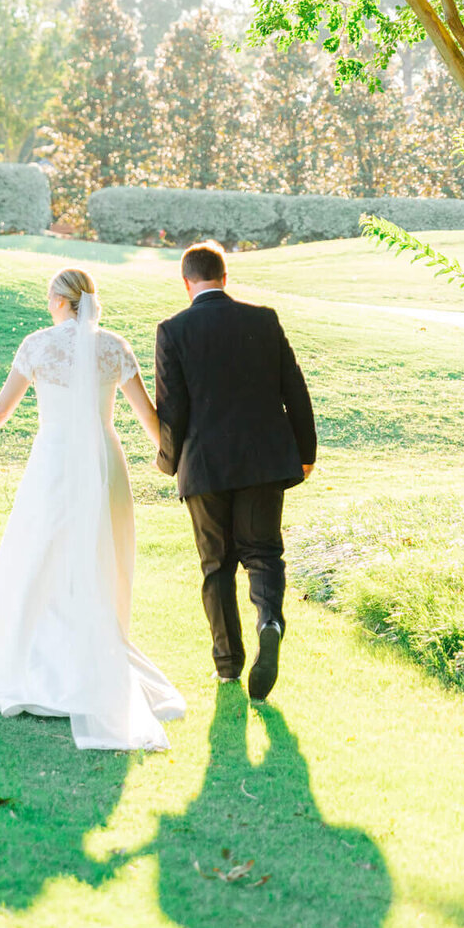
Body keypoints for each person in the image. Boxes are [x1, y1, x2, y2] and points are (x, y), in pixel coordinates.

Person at [0, 266, 185, 751]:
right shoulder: (113, 345)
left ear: (59, 299)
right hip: (102, 459)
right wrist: (184, 464)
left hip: (54, 460)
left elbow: (1, 410)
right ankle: (88, 656)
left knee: (40, 554)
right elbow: (148, 418)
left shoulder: (37, 345)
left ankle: (45, 666)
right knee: (97, 556)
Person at [155, 241, 316, 701]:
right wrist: (305, 454)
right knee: (263, 552)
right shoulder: (263, 320)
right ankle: (270, 619)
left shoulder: (173, 330)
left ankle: (228, 666)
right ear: (225, 277)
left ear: (186, 283)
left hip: (205, 466)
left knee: (217, 565)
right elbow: (295, 390)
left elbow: (173, 409)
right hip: (265, 460)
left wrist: (168, 462)